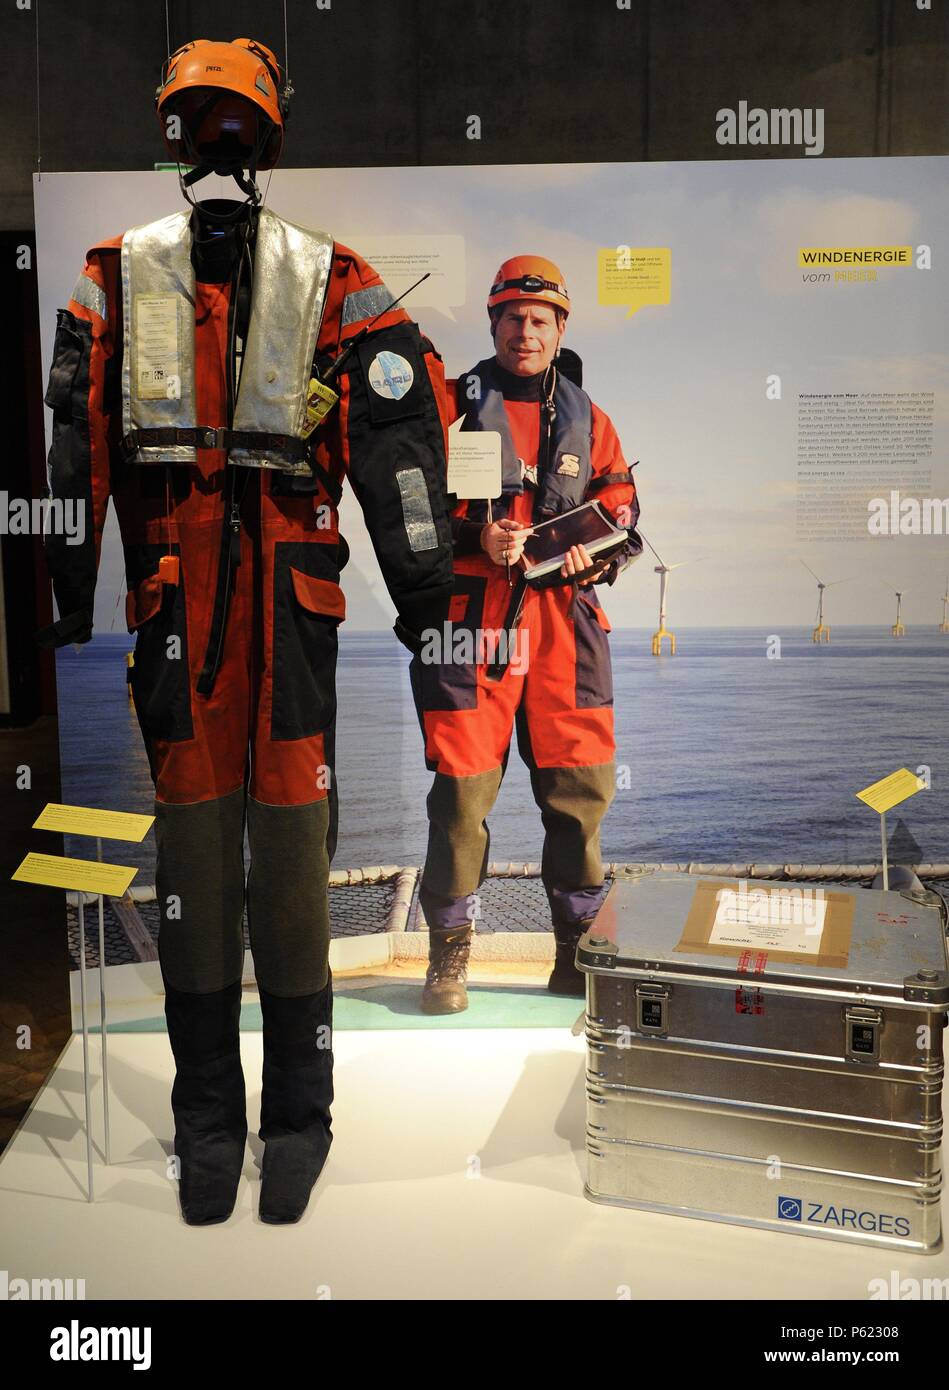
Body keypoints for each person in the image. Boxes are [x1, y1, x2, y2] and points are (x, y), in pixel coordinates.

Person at [38, 37, 454, 1224]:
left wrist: (424, 597)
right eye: (203, 123)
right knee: (198, 874)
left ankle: (300, 1118)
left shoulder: (337, 279)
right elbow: (69, 448)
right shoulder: (112, 277)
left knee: (289, 881)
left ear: (255, 139)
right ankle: (207, 1122)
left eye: (232, 124)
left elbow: (399, 446)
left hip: (290, 627)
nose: (219, 144)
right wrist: (65, 590)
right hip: (177, 625)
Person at [411, 256, 641, 1013]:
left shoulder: (593, 419)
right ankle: (448, 963)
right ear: (492, 322)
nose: (525, 331)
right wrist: (478, 536)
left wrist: (598, 546)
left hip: (565, 631)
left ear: (560, 328)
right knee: (458, 801)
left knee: (578, 800)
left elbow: (624, 507)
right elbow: (409, 510)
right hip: (471, 628)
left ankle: (574, 960)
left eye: (540, 320)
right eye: (512, 317)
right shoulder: (449, 406)